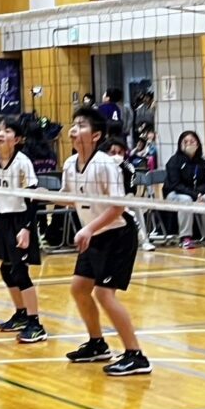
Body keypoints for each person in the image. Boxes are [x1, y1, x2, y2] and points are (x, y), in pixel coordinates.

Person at [59, 106, 150, 376]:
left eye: (81, 125)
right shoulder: (70, 164)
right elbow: (69, 197)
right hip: (94, 234)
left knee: (103, 293)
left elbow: (117, 207)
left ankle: (136, 355)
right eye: (73, 125)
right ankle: (97, 344)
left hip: (118, 234)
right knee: (79, 288)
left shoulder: (106, 164)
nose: (74, 130)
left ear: (96, 135)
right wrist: (35, 194)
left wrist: (88, 229)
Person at [0, 116, 47, 344]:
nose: (0, 134)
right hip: (3, 219)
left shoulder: (23, 162)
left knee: (20, 272)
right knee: (6, 270)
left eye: (7, 130)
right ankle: (21, 314)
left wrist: (26, 228)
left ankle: (35, 323)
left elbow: (33, 199)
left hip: (21, 219)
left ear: (18, 139)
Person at [163, 130, 205, 249]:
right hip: (174, 194)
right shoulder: (174, 161)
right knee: (186, 200)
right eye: (185, 142)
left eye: (192, 141)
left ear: (198, 144)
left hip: (194, 193)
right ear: (180, 144)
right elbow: (175, 185)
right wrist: (195, 195)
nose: (189, 144)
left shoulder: (203, 162)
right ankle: (185, 237)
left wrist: (199, 193)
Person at [103, 137, 155, 252]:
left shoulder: (128, 167)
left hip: (123, 199)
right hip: (103, 200)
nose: (116, 155)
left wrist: (125, 201)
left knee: (135, 205)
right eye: (113, 152)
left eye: (120, 152)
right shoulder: (100, 166)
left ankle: (144, 241)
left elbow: (131, 189)